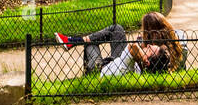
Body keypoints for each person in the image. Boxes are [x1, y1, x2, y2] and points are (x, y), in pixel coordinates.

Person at [54, 12, 185, 77]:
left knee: (91, 45)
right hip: (120, 61)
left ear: (152, 32)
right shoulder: (176, 42)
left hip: (118, 67)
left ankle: (74, 43)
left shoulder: (155, 52)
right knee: (117, 29)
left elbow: (135, 53)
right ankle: (72, 41)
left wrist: (142, 47)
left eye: (145, 30)